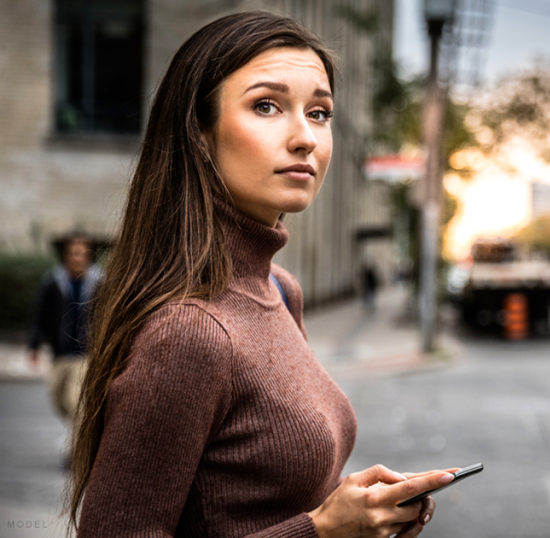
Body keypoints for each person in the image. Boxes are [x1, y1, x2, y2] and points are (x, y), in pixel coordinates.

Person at [68, 12, 455, 538]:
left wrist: (361, 512)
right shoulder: (190, 332)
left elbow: (268, 494)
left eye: (319, 113)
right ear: (199, 134)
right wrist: (319, 531)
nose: (305, 139)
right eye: (266, 106)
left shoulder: (279, 288)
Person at [28, 231, 102, 425]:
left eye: (82, 253)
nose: (77, 257)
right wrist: (34, 344)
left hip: (85, 353)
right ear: (66, 255)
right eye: (73, 253)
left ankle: (76, 451)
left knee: (75, 402)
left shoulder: (99, 284)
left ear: (89, 256)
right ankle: (79, 436)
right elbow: (40, 315)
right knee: (59, 402)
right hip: (59, 352)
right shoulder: (52, 282)